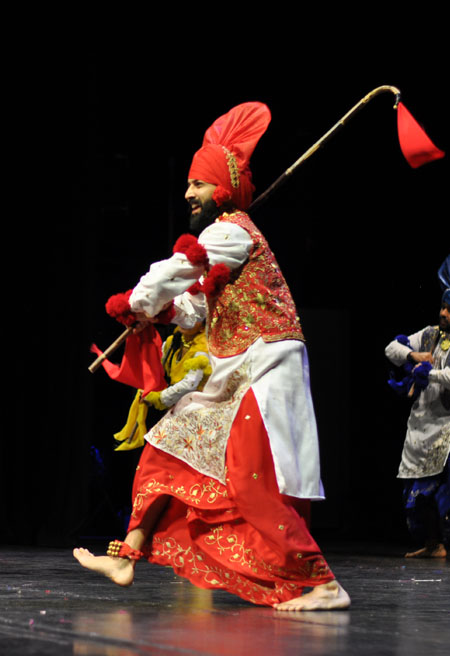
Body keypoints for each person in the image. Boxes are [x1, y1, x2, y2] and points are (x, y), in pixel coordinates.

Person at [75, 102, 349, 611]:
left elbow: (177, 269)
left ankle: (322, 582)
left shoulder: (230, 231)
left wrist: (138, 302)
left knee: (249, 476)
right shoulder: (226, 239)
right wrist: (156, 316)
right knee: (168, 441)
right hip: (236, 370)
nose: (187, 194)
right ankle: (129, 552)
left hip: (266, 366)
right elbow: (194, 309)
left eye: (196, 185)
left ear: (219, 189)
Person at [384, 247, 450, 558]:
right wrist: (412, 355)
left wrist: (429, 373)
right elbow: (391, 348)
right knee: (419, 490)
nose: (443, 313)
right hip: (423, 421)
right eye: (442, 307)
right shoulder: (429, 335)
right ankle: (432, 543)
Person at [112, 322, 210, 452]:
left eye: (194, 318)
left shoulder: (203, 350)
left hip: (196, 411)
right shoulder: (174, 341)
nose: (186, 320)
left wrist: (160, 398)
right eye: (185, 316)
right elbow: (159, 365)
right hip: (174, 408)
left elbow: (190, 384)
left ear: (202, 326)